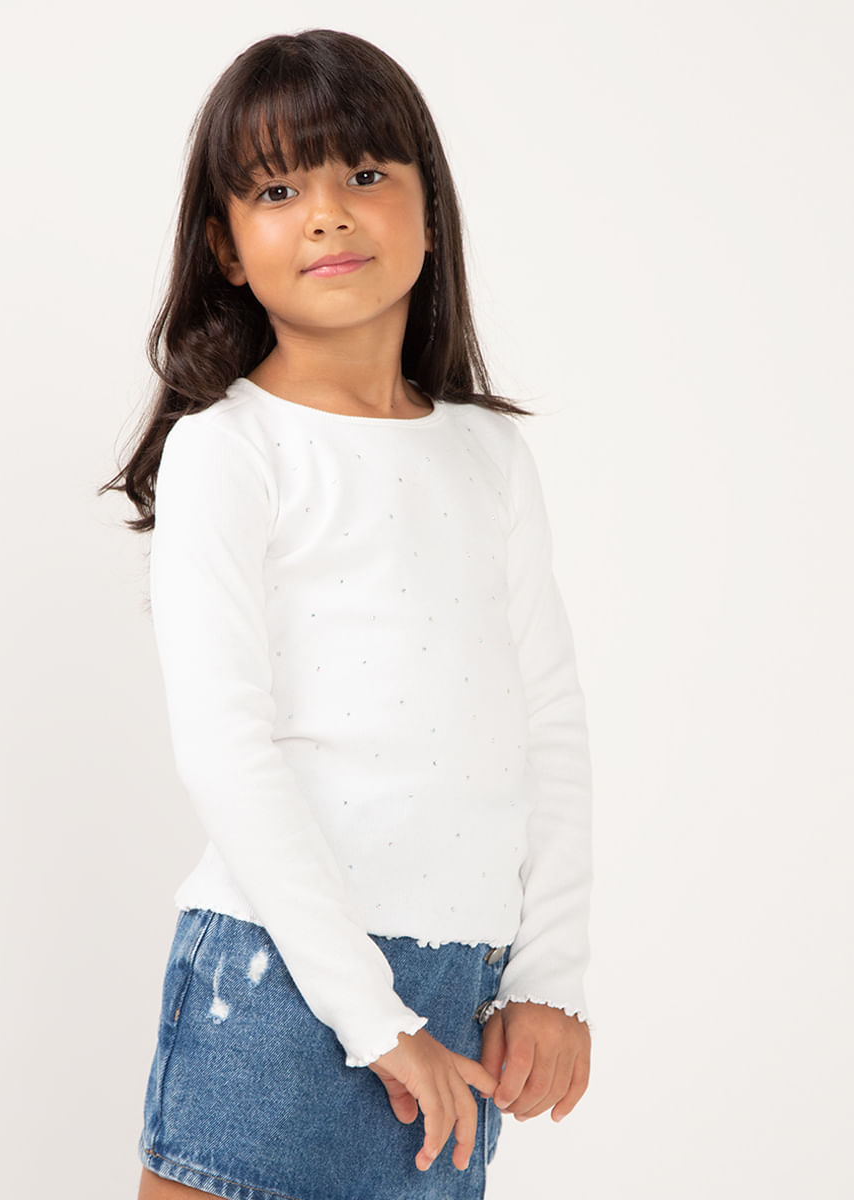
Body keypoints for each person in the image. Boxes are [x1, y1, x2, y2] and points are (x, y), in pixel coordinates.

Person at [100, 27, 594, 1200]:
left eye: (364, 174)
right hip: (279, 976)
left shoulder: (487, 458)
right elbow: (227, 748)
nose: (327, 213)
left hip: (460, 984)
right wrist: (370, 1018)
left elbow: (549, 724)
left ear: (429, 210)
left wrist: (550, 974)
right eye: (277, 190)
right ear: (225, 246)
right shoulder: (230, 452)